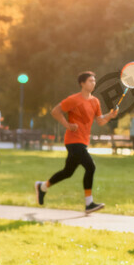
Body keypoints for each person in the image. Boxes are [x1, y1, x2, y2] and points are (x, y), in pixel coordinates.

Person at [34, 72, 118, 213]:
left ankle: (42, 187)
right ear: (82, 83)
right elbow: (55, 111)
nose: (93, 83)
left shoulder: (95, 101)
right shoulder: (74, 99)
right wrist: (67, 125)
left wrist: (110, 115)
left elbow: (100, 121)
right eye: (90, 81)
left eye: (94, 81)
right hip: (73, 141)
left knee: (68, 172)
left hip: (83, 141)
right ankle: (89, 203)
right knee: (90, 167)